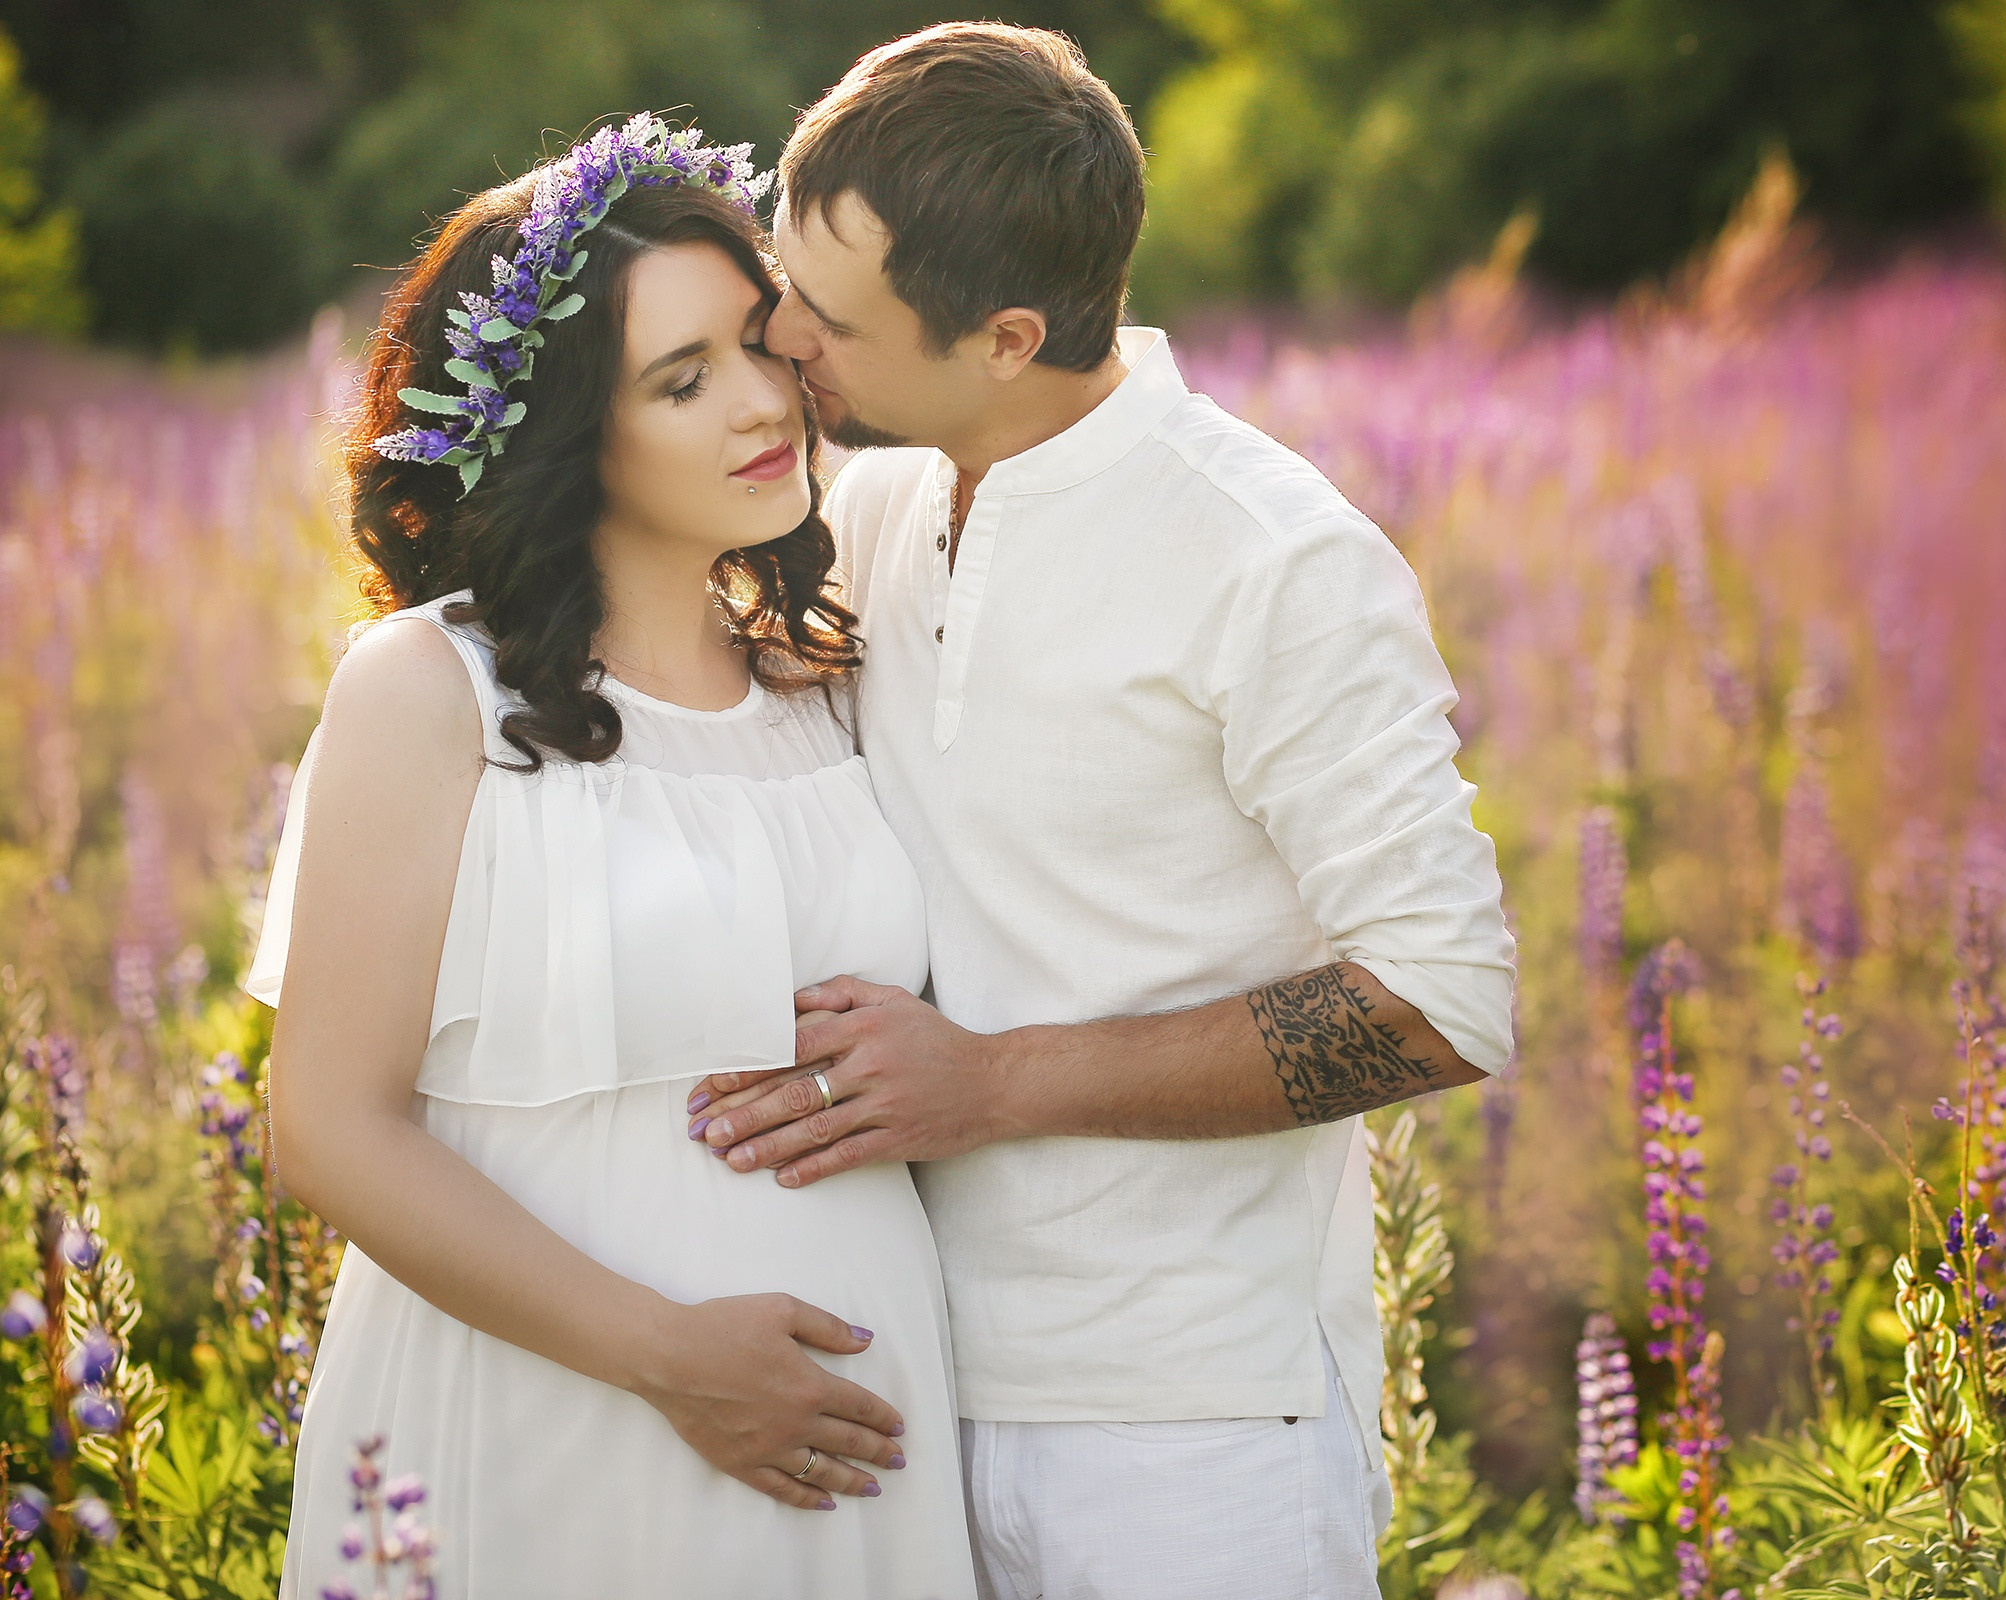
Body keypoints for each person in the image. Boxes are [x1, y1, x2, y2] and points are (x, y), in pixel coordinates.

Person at [687, 26, 1517, 1600]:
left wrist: (997, 1085)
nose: (782, 335)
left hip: (1195, 1431)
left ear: (1006, 336)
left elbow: (1444, 997)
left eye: (832, 316)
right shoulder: (869, 501)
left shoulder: (1273, 562)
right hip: (902, 1389)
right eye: (785, 277)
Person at [250, 117, 972, 1596]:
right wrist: (671, 1358)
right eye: (683, 379)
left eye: (762, 346)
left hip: (857, 1442)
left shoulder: (827, 676)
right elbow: (327, 1125)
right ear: (573, 432)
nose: (768, 403)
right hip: (553, 1409)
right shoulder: (428, 691)